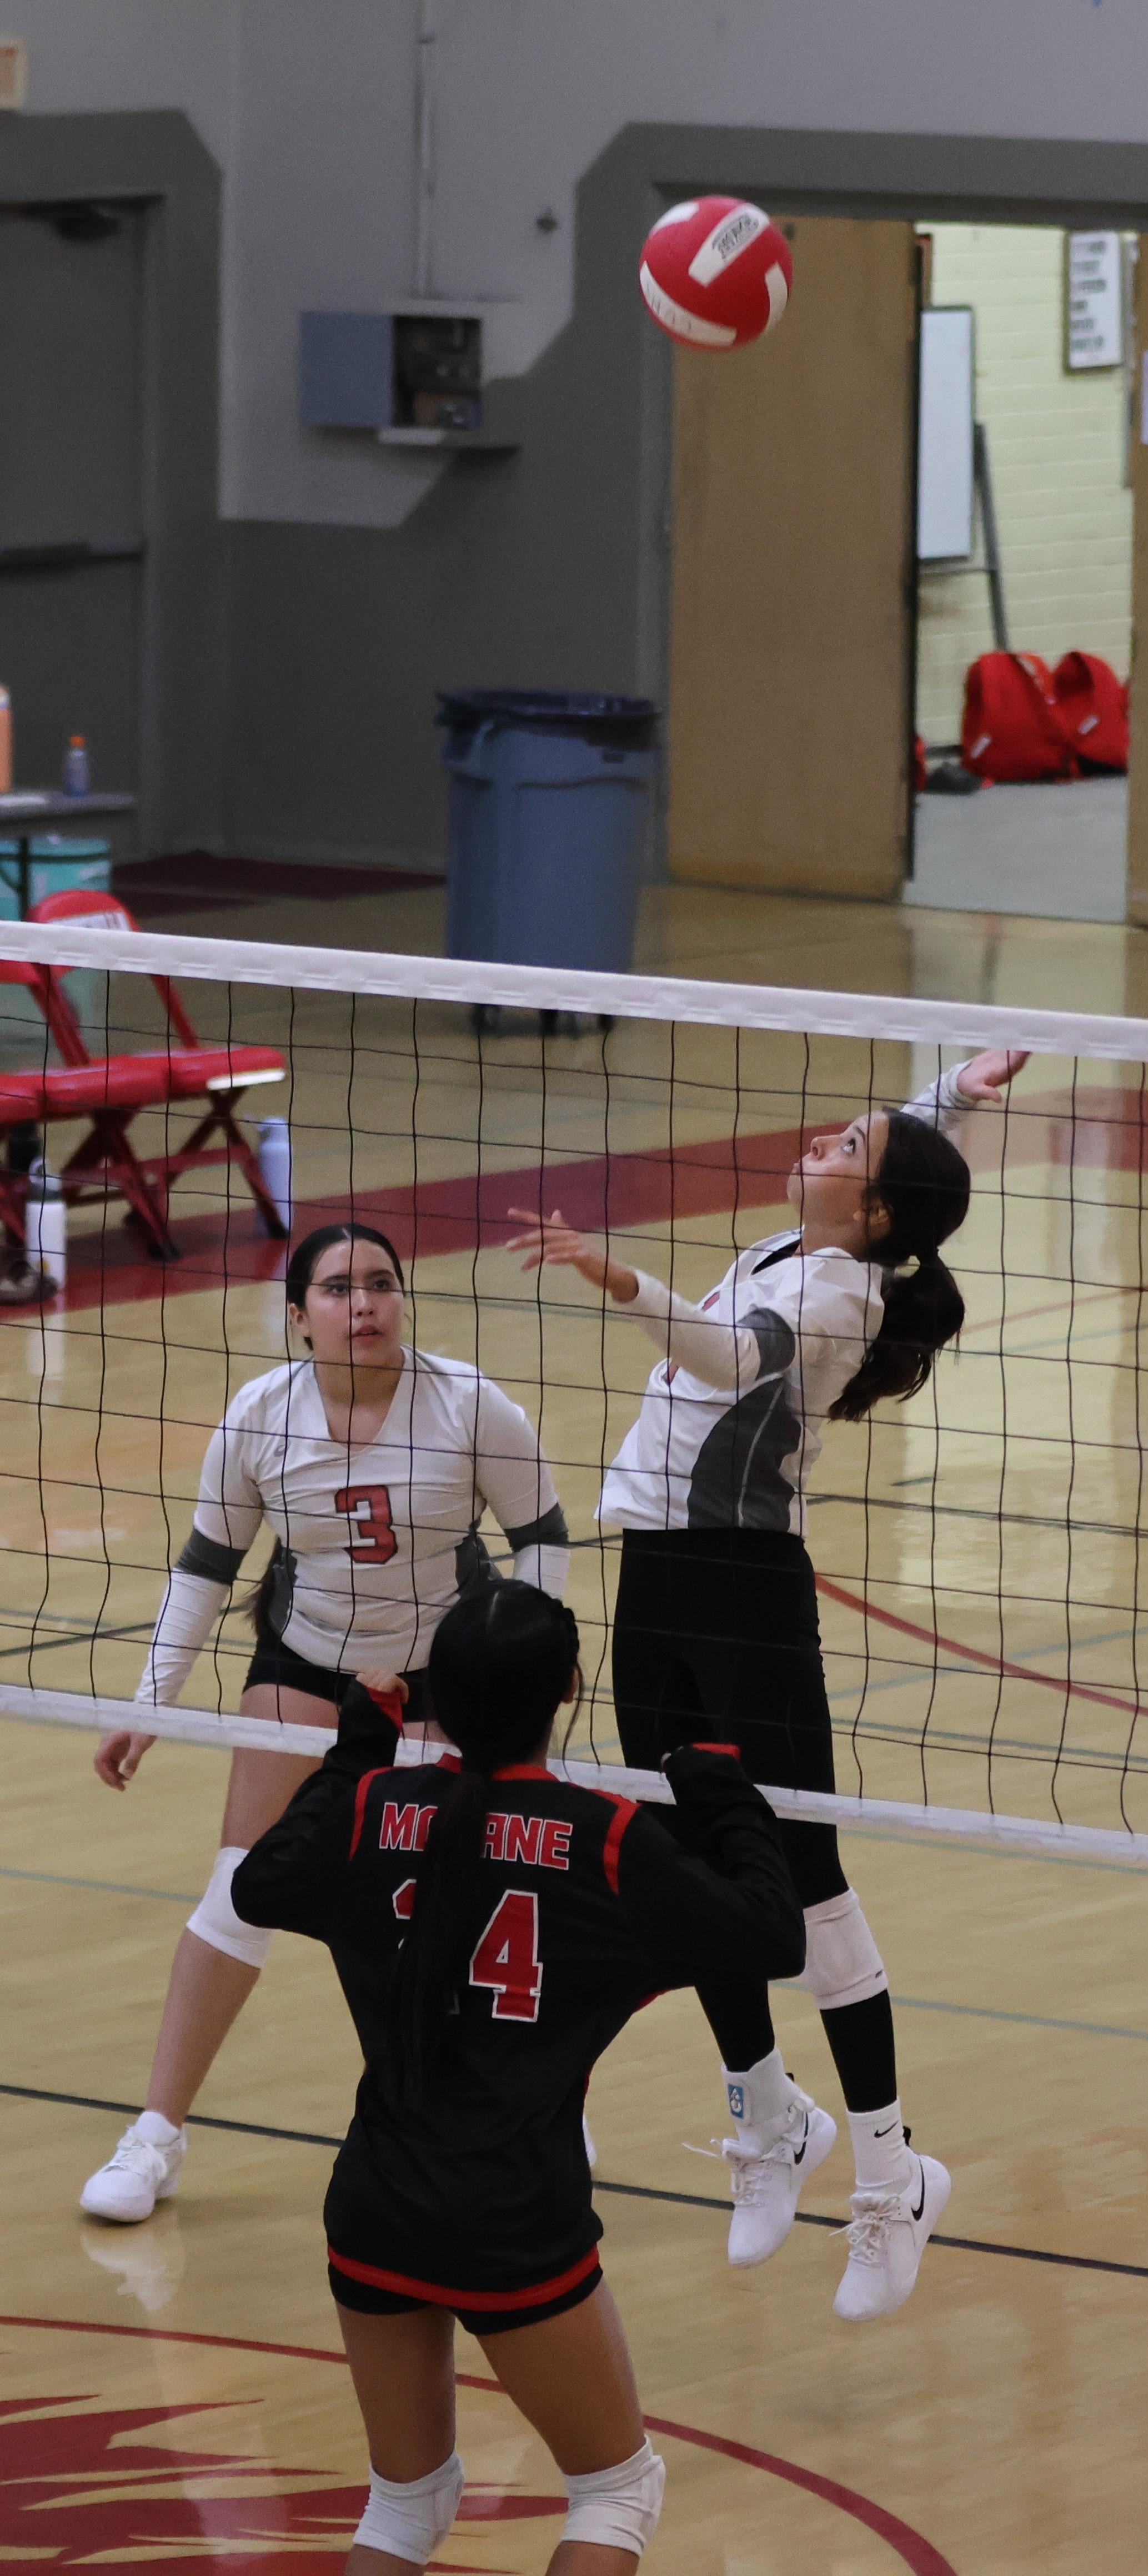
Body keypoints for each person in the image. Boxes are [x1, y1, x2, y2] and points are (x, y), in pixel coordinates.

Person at [507, 1049, 1025, 2323]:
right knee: (685, 1863)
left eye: (850, 1149)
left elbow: (729, 1359)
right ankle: (767, 2116)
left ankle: (894, 2175)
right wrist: (953, 1084)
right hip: (663, 1581)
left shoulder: (843, 1294)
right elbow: (907, 1146)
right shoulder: (812, 1246)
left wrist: (613, 1271)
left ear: (877, 1211)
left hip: (748, 1592)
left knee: (806, 1877)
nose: (827, 1144)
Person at [228, 1581, 805, 2573]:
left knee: (403, 2508)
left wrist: (357, 1750)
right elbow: (772, 1935)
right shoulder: (607, 1840)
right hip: (512, 2218)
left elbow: (257, 1882)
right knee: (615, 2494)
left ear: (434, 1697)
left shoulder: (373, 1807)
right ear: (570, 1691)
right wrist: (728, 1799)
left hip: (375, 2204)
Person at [80, 1220, 570, 2228]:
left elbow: (542, 1538)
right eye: (341, 1290)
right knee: (239, 1892)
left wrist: (533, 1663)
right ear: (299, 1317)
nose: (367, 1304)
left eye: (383, 1285)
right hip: (307, 1665)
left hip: (446, 1676)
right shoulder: (262, 1414)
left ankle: (525, 2118)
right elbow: (207, 1568)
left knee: (454, 1908)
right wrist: (149, 1704)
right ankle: (156, 2136)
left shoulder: (471, 1405)